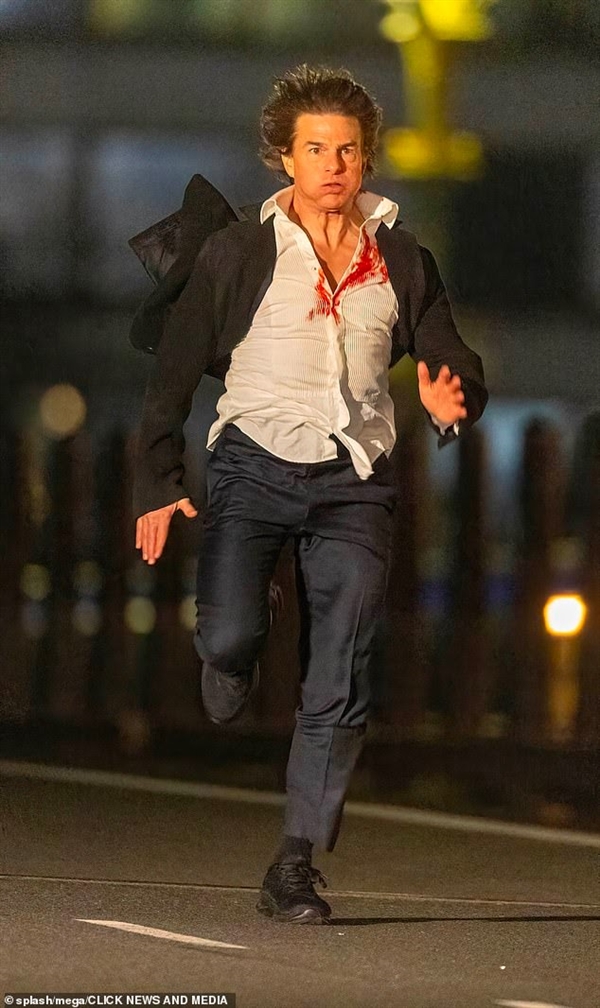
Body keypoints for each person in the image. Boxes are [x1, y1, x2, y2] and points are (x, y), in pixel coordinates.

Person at [133, 65, 488, 925]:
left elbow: (448, 350)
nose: (334, 164)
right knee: (228, 634)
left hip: (354, 482)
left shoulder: (401, 258)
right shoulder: (239, 253)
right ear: (285, 159)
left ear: (367, 159)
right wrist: (158, 480)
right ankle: (235, 645)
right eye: (317, 149)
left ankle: (294, 864)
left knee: (343, 665)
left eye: (349, 150)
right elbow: (173, 375)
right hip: (253, 467)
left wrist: (455, 398)